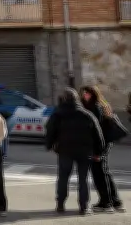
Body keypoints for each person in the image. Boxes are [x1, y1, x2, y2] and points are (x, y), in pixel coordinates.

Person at [45, 88, 104, 216]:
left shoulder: (58, 114)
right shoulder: (87, 114)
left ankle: (60, 204)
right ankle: (84, 206)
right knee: (83, 179)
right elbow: (98, 134)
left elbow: (50, 130)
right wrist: (98, 152)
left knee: (63, 177)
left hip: (65, 150)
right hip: (85, 151)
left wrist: (49, 145)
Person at [81, 85, 124, 213]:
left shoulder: (95, 107)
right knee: (104, 172)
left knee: (99, 174)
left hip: (99, 144)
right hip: (104, 143)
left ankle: (106, 203)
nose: (84, 95)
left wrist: (97, 151)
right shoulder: (101, 105)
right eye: (83, 93)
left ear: (92, 94)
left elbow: (97, 131)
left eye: (86, 93)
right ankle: (115, 201)